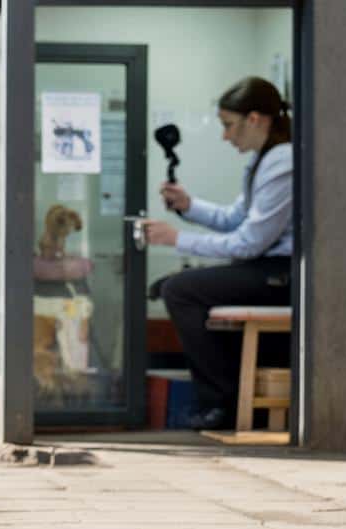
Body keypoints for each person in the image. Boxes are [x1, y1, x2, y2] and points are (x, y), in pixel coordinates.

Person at [141, 77, 293, 430]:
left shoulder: (282, 161)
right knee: (179, 286)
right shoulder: (264, 159)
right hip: (264, 268)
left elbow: (248, 241)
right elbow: (235, 218)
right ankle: (221, 396)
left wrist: (175, 238)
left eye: (229, 125)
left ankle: (219, 403)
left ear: (255, 119)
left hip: (280, 273)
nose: (225, 136)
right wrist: (189, 206)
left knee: (179, 289)